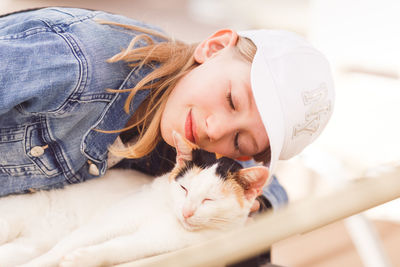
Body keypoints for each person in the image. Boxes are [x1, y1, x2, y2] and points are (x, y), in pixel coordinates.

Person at [0, 7, 334, 210]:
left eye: (239, 141)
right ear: (214, 47)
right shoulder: (78, 63)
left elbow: (266, 190)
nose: (216, 130)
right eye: (232, 100)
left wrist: (254, 205)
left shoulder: (191, 130)